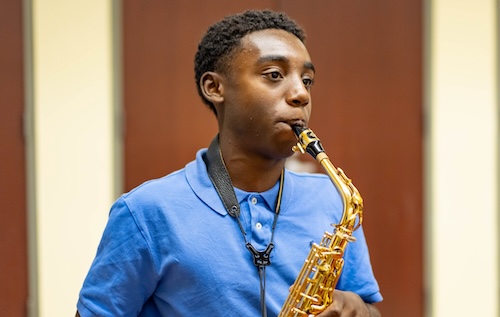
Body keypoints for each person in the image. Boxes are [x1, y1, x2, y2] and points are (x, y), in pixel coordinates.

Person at [76, 9, 382, 317]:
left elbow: (370, 307)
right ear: (215, 88)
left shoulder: (334, 200)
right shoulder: (147, 211)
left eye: (307, 80)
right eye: (274, 75)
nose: (301, 93)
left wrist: (358, 309)